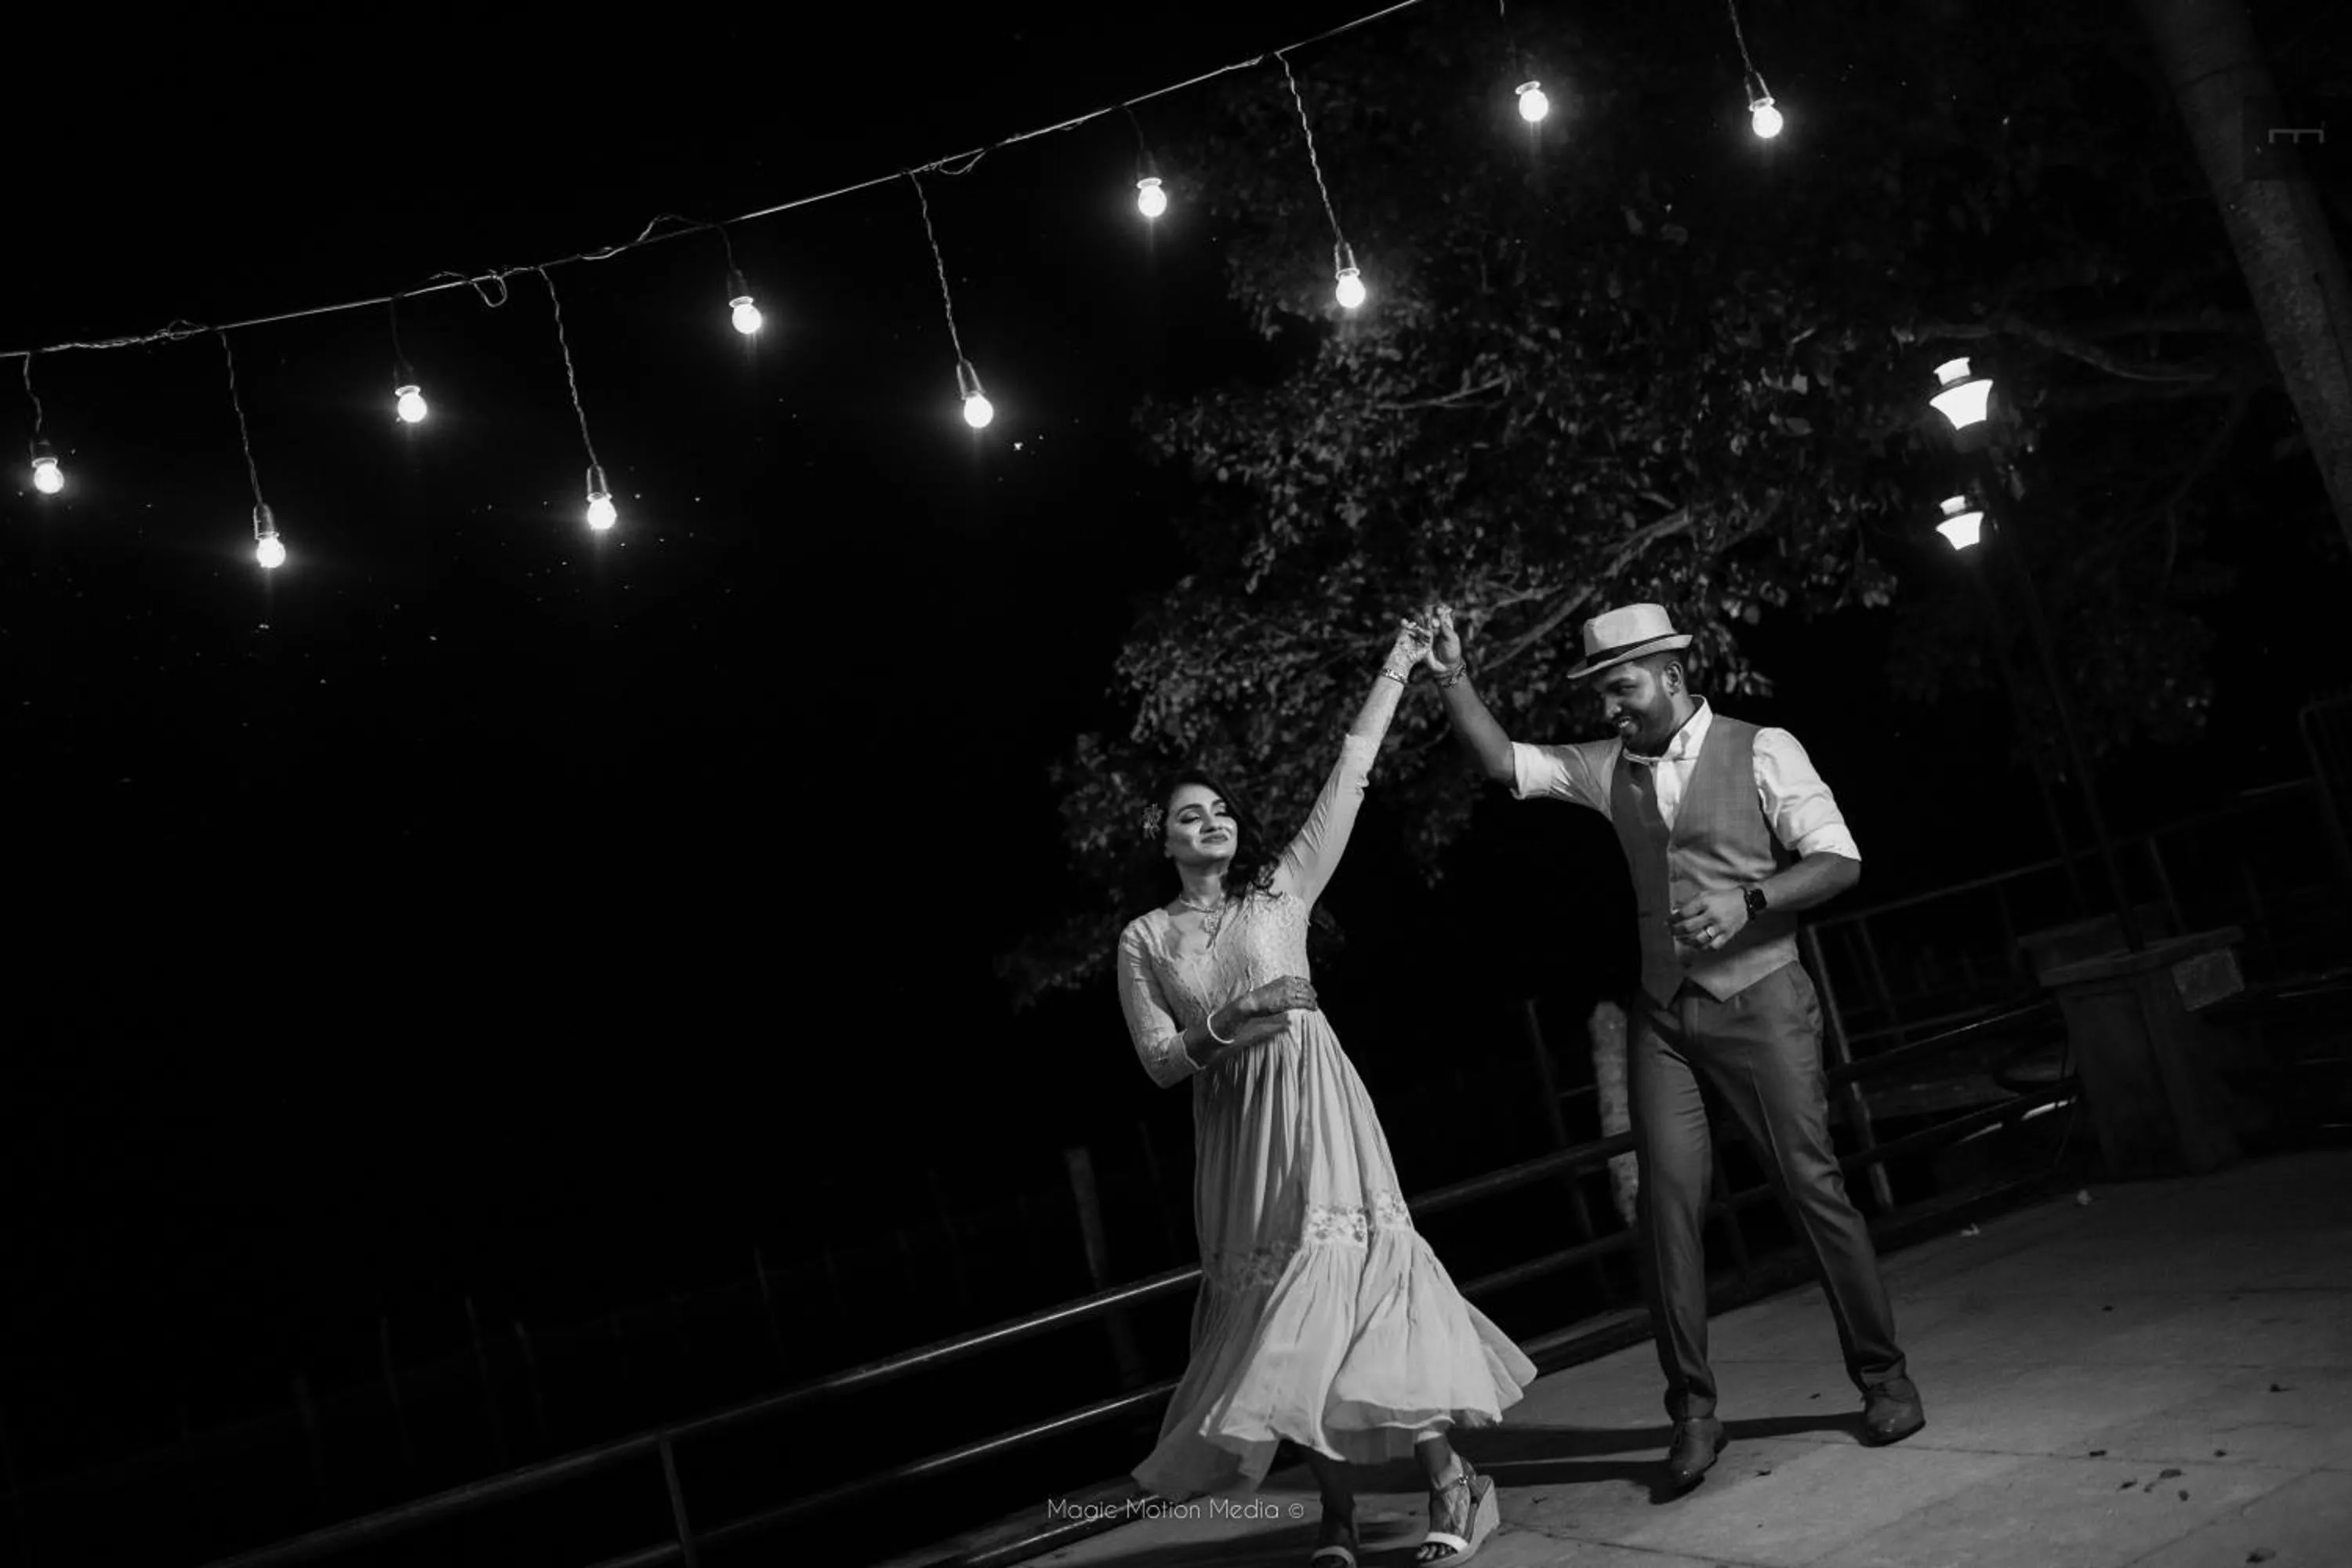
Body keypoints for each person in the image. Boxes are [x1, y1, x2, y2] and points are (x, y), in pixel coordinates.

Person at [1423, 600, 1924, 1493]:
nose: (1610, 706)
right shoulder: (1606, 764)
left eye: (1620, 686)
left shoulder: (1764, 746)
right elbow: (1503, 761)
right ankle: (1693, 1412)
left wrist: (1754, 898)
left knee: (1811, 1185)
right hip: (1663, 1014)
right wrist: (1452, 673)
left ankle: (1883, 1376)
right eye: (1602, 690)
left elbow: (1840, 859)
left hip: (1762, 999)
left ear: (1671, 674)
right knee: (1667, 1213)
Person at [1116, 616, 1534, 1568]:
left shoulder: (1282, 892)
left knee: (1353, 1283)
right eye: (1188, 814)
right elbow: (1157, 1059)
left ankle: (1452, 1482)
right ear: (1164, 838)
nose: (1210, 820)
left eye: (1219, 807)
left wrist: (1400, 665)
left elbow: (1351, 768)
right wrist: (1239, 1014)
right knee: (1278, 1321)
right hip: (1237, 1130)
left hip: (1318, 1106)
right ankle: (1337, 1515)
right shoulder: (1145, 939)